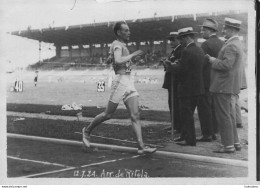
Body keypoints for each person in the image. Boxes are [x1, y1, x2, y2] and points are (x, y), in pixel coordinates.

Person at [82, 21, 157, 154]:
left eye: (129, 30)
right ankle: (87, 131)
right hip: (121, 82)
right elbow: (117, 60)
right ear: (119, 32)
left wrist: (133, 60)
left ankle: (141, 147)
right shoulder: (117, 44)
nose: (129, 32)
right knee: (108, 114)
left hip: (129, 82)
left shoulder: (120, 46)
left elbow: (115, 61)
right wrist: (133, 55)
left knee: (135, 115)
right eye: (126, 30)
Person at [207, 18, 244, 153]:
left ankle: (227, 145)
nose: (223, 31)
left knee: (223, 116)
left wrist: (212, 60)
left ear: (232, 30)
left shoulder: (230, 45)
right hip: (229, 85)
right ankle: (235, 142)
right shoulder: (236, 43)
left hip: (223, 85)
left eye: (225, 29)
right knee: (229, 115)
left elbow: (226, 65)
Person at [165, 27, 205, 146]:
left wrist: (170, 65)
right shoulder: (199, 50)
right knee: (187, 114)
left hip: (187, 88)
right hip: (197, 87)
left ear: (187, 38)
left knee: (186, 115)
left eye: (181, 39)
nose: (180, 41)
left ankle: (189, 139)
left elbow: (181, 69)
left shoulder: (187, 51)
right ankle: (184, 135)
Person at [197, 18, 224, 142]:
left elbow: (202, 64)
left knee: (204, 107)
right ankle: (215, 131)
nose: (202, 32)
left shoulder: (205, 44)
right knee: (214, 107)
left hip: (206, 81)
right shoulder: (221, 42)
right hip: (218, 81)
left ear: (208, 30)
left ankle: (207, 134)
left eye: (203, 30)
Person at [161, 32, 182, 134]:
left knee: (175, 104)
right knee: (172, 104)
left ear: (178, 39)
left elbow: (177, 67)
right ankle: (174, 124)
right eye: (170, 40)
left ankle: (177, 126)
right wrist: (166, 63)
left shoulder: (180, 51)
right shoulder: (174, 51)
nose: (171, 42)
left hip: (175, 82)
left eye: (173, 40)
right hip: (171, 82)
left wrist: (168, 64)